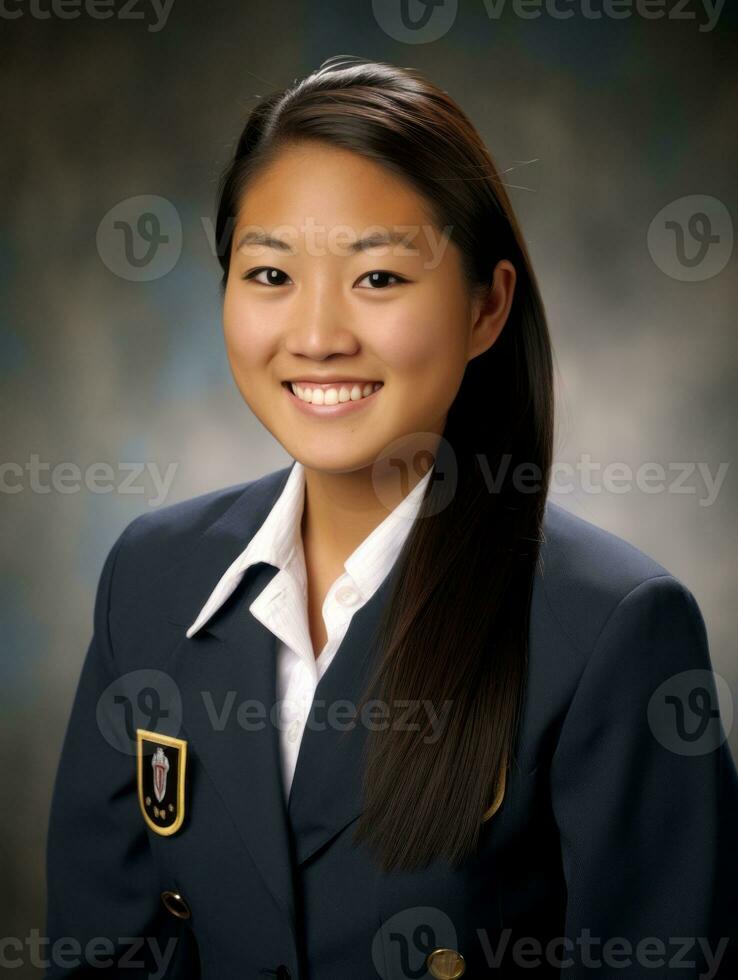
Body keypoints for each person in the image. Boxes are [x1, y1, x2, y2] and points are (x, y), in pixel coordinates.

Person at [45, 56, 738, 980]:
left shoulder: (614, 630)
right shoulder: (151, 576)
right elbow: (102, 953)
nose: (320, 333)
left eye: (377, 279)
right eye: (269, 273)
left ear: (487, 307)